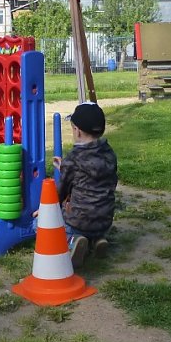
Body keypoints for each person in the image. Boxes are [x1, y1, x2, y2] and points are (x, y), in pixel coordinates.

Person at [54, 101, 118, 267]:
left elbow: (61, 190)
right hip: (104, 219)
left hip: (79, 221)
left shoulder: (74, 158)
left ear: (77, 131)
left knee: (42, 224)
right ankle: (98, 239)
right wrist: (65, 166)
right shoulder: (109, 154)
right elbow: (93, 173)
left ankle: (72, 240)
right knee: (93, 215)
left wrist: (46, 208)